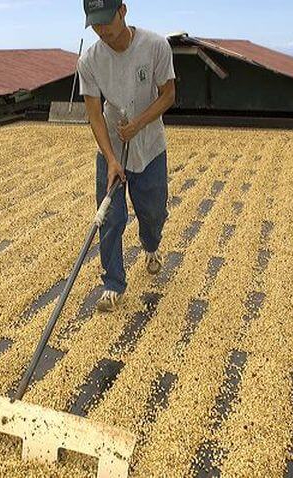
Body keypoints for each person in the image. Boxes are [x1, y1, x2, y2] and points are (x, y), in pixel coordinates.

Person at [78, 0, 176, 312]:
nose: (102, 29)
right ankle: (113, 284)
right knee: (110, 216)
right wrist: (110, 158)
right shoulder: (90, 60)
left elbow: (169, 95)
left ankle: (151, 246)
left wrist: (138, 124)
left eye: (106, 20)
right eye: (94, 23)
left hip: (149, 146)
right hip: (113, 145)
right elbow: (94, 114)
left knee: (153, 213)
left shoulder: (155, 46)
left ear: (123, 11)